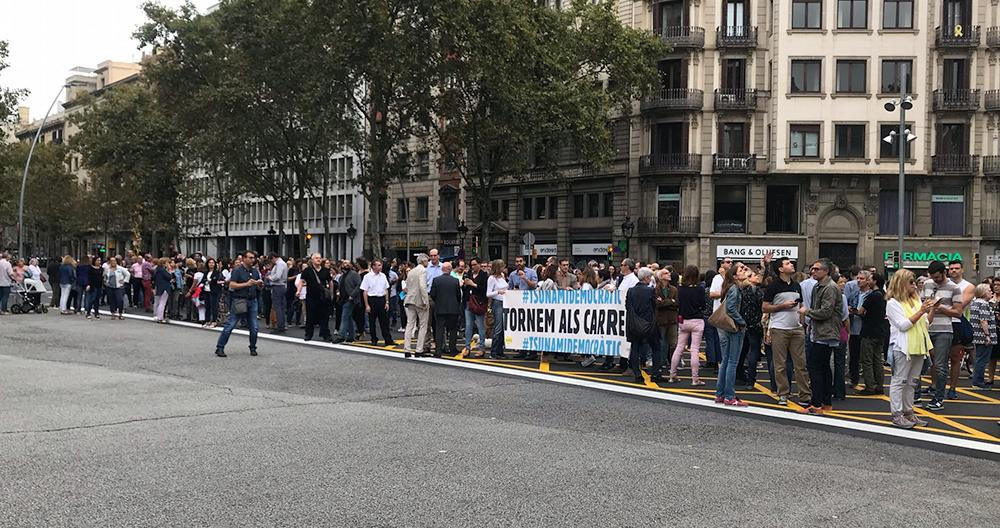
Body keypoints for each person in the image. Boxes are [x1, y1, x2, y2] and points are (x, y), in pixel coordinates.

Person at [885, 269, 935, 428]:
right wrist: (921, 311)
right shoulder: (893, 303)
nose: (914, 285)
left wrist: (931, 309)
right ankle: (896, 414)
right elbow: (903, 325)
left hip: (918, 346)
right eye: (911, 282)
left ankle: (908, 412)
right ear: (901, 284)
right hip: (903, 346)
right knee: (900, 380)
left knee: (912, 382)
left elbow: (926, 324)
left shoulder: (915, 300)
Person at [762, 257, 810, 406]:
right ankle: (783, 393)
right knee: (780, 364)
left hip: (796, 328)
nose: (791, 265)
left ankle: (805, 395)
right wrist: (782, 306)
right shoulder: (773, 286)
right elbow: (764, 308)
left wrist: (802, 322)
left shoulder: (796, 285)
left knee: (801, 364)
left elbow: (800, 305)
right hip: (779, 328)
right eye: (788, 263)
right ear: (781, 269)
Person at [798, 259, 843, 415]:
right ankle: (825, 403)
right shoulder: (819, 286)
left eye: (816, 269)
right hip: (820, 332)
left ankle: (817, 404)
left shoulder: (829, 288)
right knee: (823, 367)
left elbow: (826, 312)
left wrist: (807, 312)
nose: (813, 271)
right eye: (812, 269)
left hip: (826, 333)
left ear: (826, 271)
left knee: (815, 368)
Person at [920, 261, 962, 411]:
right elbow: (922, 304)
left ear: (944, 273)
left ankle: (939, 398)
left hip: (944, 330)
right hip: (926, 328)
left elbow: (958, 312)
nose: (935, 280)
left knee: (940, 365)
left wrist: (940, 307)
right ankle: (917, 396)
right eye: (933, 277)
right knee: (922, 363)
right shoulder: (927, 284)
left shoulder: (954, 288)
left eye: (937, 277)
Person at [215, 251, 263, 357]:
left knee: (254, 326)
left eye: (253, 258)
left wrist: (259, 284)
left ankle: (253, 347)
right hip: (240, 300)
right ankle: (220, 347)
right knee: (231, 324)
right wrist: (246, 284)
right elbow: (232, 284)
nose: (252, 260)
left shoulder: (255, 271)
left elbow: (258, 284)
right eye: (250, 258)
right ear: (244, 259)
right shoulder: (237, 271)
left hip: (252, 299)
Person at [715, 262, 749, 406]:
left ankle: (720, 394)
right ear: (735, 276)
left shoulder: (729, 287)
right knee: (732, 362)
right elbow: (730, 309)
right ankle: (729, 396)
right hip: (734, 327)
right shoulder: (734, 288)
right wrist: (742, 322)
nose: (744, 271)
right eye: (741, 270)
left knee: (726, 361)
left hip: (727, 327)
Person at [670, 265, 706, 385]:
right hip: (697, 320)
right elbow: (703, 305)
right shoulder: (700, 289)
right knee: (694, 350)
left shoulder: (679, 288)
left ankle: (672, 375)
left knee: (679, 348)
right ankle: (695, 379)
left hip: (683, 320)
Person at [946, 260, 975, 400]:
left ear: (962, 270)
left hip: (957, 323)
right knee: (936, 357)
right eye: (951, 268)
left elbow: (959, 307)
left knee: (955, 357)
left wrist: (940, 307)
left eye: (956, 268)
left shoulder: (968, 286)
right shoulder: (941, 284)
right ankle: (934, 386)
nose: (953, 271)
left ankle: (952, 388)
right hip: (940, 323)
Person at [626, 267, 661, 384]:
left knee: (635, 348)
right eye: (650, 277)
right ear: (646, 278)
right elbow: (654, 306)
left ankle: (637, 374)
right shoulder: (650, 291)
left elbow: (627, 306)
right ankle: (655, 374)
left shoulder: (630, 291)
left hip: (634, 324)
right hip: (649, 324)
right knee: (656, 347)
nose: (650, 279)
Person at [856, 273, 887, 395]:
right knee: (878, 359)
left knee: (867, 360)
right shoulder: (884, 295)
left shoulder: (872, 296)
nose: (868, 281)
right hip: (880, 330)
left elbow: (861, 311)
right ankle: (879, 385)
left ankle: (869, 386)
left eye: (869, 279)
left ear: (874, 281)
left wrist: (856, 312)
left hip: (869, 331)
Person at [737, 266, 764, 389]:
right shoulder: (757, 291)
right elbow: (762, 306)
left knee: (742, 351)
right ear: (749, 278)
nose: (757, 277)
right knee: (753, 352)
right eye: (754, 275)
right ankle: (751, 379)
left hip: (742, 324)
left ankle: (739, 374)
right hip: (755, 324)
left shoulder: (740, 290)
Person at [430, 261, 462, 357]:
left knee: (439, 329)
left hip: (440, 308)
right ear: (450, 270)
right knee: (452, 330)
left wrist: (438, 301)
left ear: (442, 269)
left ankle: (438, 350)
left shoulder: (436, 280)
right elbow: (458, 295)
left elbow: (432, 294)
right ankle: (452, 349)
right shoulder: (455, 281)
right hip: (453, 308)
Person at [301, 253, 333, 342]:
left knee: (324, 316)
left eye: (319, 258)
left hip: (323, 297)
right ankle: (308, 334)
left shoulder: (325, 270)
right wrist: (298, 291)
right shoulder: (307, 270)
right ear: (312, 260)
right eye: (316, 258)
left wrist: (331, 293)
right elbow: (302, 281)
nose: (318, 260)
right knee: (310, 316)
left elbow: (330, 281)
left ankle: (325, 334)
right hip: (311, 296)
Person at [970, 283, 997, 389]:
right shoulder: (984, 304)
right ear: (983, 292)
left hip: (976, 335)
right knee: (982, 360)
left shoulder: (975, 302)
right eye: (989, 290)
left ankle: (976, 381)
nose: (991, 292)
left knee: (979, 358)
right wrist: (987, 335)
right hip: (983, 336)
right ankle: (978, 382)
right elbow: (983, 320)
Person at [403, 254, 430, 358]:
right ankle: (419, 349)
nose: (428, 262)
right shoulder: (422, 270)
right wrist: (425, 301)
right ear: (423, 261)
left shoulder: (412, 271)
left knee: (410, 324)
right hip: (419, 300)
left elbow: (407, 285)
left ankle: (407, 349)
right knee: (423, 325)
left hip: (410, 299)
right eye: (427, 260)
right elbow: (423, 286)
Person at [362, 259, 393, 347]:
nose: (380, 267)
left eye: (381, 265)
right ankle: (374, 339)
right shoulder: (367, 276)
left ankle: (388, 339)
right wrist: (367, 305)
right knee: (372, 321)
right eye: (378, 265)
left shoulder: (383, 275)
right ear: (373, 266)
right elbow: (365, 291)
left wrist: (387, 302)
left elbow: (386, 289)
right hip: (372, 299)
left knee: (384, 321)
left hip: (381, 299)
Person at [462, 257, 489, 358]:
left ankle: (481, 348)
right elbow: (465, 288)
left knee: (480, 326)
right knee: (468, 325)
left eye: (475, 264)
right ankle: (467, 347)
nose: (473, 267)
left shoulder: (484, 275)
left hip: (479, 302)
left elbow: (484, 289)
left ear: (479, 264)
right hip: (469, 301)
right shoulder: (468, 274)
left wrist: (473, 284)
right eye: (471, 265)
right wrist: (464, 284)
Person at [654, 268, 678, 373]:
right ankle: (660, 363)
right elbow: (657, 304)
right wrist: (670, 301)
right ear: (660, 277)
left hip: (672, 319)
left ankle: (673, 363)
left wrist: (664, 302)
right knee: (661, 342)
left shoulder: (674, 289)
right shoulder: (656, 289)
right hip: (661, 319)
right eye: (666, 273)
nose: (669, 274)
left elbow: (676, 304)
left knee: (673, 343)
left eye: (669, 273)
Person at [332, 261, 361, 343]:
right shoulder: (341, 276)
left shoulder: (354, 274)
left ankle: (341, 335)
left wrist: (352, 295)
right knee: (349, 317)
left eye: (348, 263)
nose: (346, 264)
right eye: (344, 263)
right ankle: (351, 336)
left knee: (344, 317)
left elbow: (359, 285)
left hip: (351, 299)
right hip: (343, 298)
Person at [486, 259, 509, 359]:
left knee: (503, 328)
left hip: (505, 302)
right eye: (502, 266)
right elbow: (488, 293)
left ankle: (500, 350)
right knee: (498, 327)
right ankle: (494, 351)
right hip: (497, 303)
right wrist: (498, 292)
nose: (504, 268)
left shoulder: (503, 276)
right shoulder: (491, 278)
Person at [267, 252, 289, 333]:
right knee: (282, 307)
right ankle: (282, 324)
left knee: (278, 307)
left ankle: (280, 326)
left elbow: (277, 276)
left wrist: (270, 277)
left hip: (278, 286)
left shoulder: (279, 264)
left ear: (273, 258)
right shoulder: (283, 263)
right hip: (282, 286)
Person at [152, 258, 173, 323]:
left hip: (158, 287)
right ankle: (160, 317)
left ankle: (156, 316)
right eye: (167, 263)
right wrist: (169, 270)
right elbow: (169, 277)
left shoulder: (157, 269)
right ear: (164, 263)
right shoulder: (163, 270)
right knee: (162, 303)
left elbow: (154, 278)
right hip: (165, 288)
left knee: (157, 302)